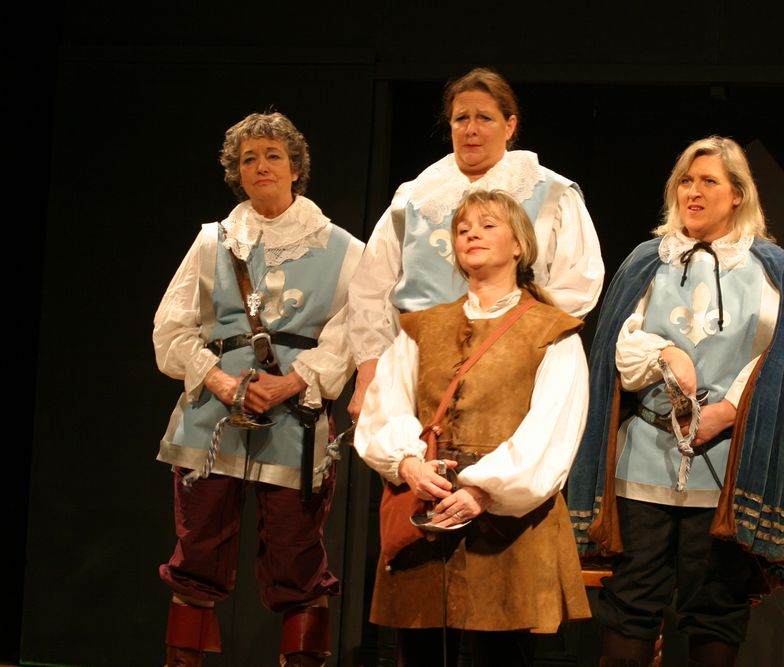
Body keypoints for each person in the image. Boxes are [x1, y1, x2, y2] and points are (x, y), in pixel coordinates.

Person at [566, 136, 784, 667]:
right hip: (644, 458)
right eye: (686, 180)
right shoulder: (649, 261)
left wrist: (728, 411)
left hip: (725, 465)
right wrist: (666, 354)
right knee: (631, 603)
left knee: (715, 607)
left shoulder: (770, 268)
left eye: (709, 181)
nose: (694, 192)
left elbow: (779, 358)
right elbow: (619, 351)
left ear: (737, 194)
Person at [152, 111, 364, 667]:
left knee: (297, 555)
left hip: (295, 418)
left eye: (273, 155)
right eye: (249, 159)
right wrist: (219, 380)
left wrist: (294, 380)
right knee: (198, 550)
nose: (261, 166)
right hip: (213, 415)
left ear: (296, 168)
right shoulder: (212, 242)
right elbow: (171, 329)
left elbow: (355, 333)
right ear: (236, 173)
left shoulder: (345, 249)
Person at [354, 189, 592, 666]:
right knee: (418, 654)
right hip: (429, 509)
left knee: (500, 655)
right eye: (463, 229)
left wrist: (484, 491)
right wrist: (408, 465)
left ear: (519, 245)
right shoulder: (421, 327)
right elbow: (387, 405)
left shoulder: (552, 330)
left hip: (508, 522)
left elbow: (552, 429)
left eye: (487, 225)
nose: (472, 235)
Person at [346, 66, 604, 420]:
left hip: (513, 365)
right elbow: (371, 289)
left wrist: (517, 341)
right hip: (416, 367)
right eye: (461, 118)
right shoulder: (415, 197)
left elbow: (578, 283)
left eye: (484, 117)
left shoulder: (551, 194)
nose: (471, 129)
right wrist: (369, 369)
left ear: (509, 126)